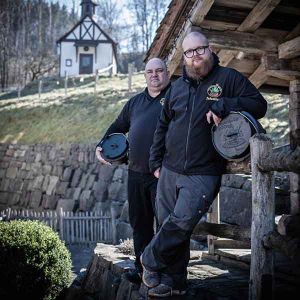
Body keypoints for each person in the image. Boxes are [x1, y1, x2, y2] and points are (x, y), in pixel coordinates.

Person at [140, 31, 267, 297]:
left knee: (181, 223)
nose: (196, 56)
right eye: (189, 52)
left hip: (204, 171)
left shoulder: (228, 78)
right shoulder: (176, 87)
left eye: (200, 50)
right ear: (184, 57)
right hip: (169, 169)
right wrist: (155, 161)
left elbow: (259, 104)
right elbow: (162, 126)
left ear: (209, 50)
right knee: (167, 226)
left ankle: (149, 259)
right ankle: (173, 283)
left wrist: (225, 104)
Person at [95, 58, 170, 284]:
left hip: (164, 174)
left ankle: (166, 272)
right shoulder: (135, 103)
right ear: (145, 75)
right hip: (136, 174)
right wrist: (101, 145)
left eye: (159, 71)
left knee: (166, 225)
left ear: (167, 73)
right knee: (140, 224)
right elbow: (117, 127)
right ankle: (142, 268)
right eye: (150, 72)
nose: (154, 75)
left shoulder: (175, 97)